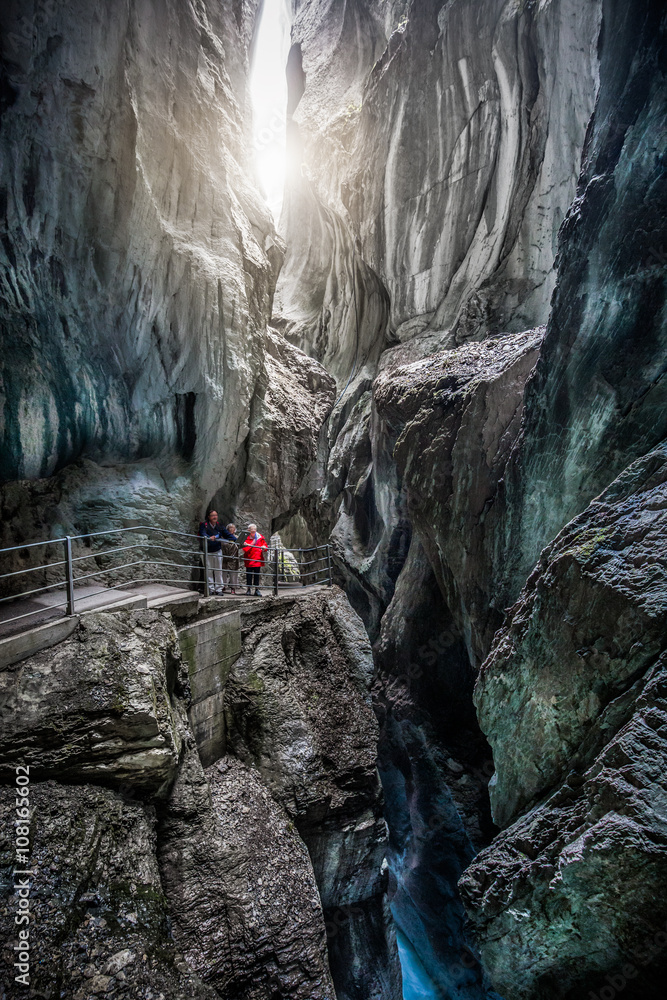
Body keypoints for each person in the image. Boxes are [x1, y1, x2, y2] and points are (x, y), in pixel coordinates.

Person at [199, 511, 224, 594]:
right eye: (213, 515)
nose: (215, 517)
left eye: (216, 515)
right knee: (209, 571)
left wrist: (236, 540)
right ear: (209, 517)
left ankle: (219, 589)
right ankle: (211, 589)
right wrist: (209, 537)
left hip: (217, 549)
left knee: (218, 571)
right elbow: (202, 533)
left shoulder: (219, 525)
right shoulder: (204, 525)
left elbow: (225, 533)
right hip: (207, 550)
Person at [242, 523, 268, 596]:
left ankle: (257, 589)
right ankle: (248, 589)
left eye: (254, 531)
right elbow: (244, 549)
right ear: (248, 530)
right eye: (252, 531)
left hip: (257, 559)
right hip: (249, 560)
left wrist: (264, 547)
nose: (253, 532)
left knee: (257, 575)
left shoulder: (260, 537)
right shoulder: (246, 538)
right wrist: (252, 544)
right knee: (249, 575)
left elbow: (265, 546)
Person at [221, 523, 239, 594]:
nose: (231, 529)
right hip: (225, 556)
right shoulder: (224, 537)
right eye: (230, 528)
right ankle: (223, 586)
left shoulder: (237, 538)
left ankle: (233, 588)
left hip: (234, 558)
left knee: (233, 574)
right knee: (223, 573)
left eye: (233, 528)